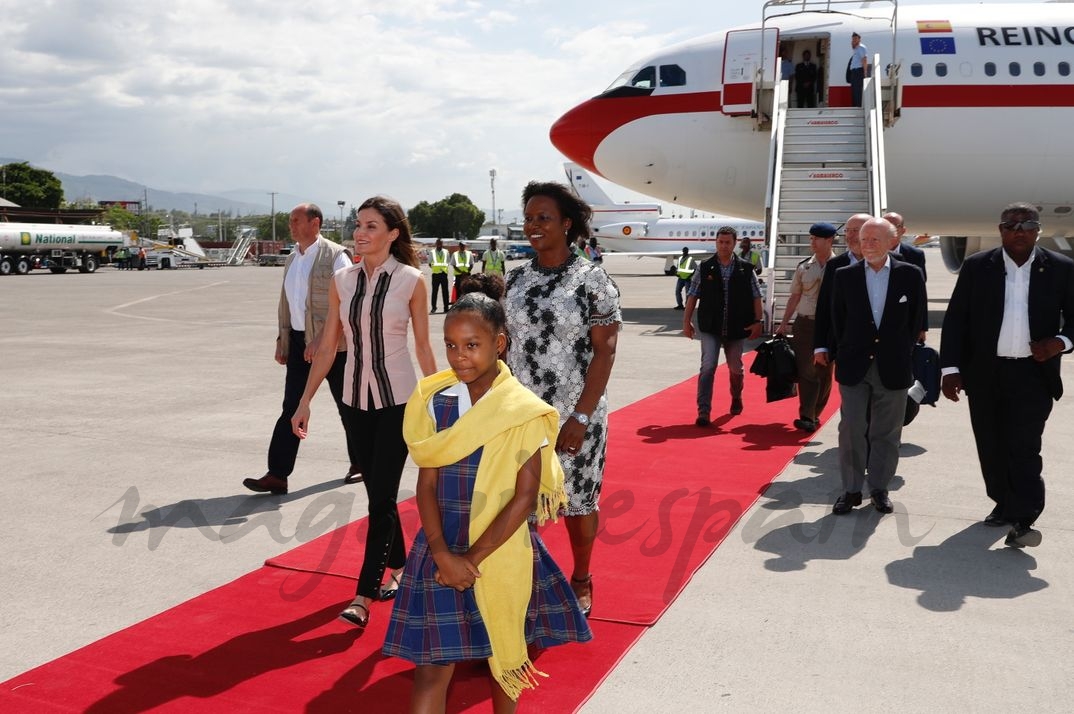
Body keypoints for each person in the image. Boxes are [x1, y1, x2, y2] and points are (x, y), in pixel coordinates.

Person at [385, 290, 592, 711]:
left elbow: (525, 497)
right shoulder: (436, 403)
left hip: (501, 546)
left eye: (472, 345)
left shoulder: (522, 410)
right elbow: (426, 485)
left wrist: (472, 559)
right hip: (440, 545)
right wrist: (443, 554)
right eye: (451, 345)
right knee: (431, 667)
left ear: (499, 343)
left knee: (505, 656)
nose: (459, 356)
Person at [291, 196, 437, 627]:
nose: (360, 233)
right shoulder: (344, 281)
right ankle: (400, 565)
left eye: (371, 226)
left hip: (398, 402)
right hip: (354, 401)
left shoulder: (413, 280)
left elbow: (424, 347)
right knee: (378, 493)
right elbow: (327, 346)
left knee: (382, 500)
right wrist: (305, 401)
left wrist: (440, 399)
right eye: (358, 224)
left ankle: (364, 596)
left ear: (393, 234)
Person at [504, 180, 621, 619]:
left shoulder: (592, 281)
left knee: (577, 503)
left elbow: (605, 351)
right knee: (518, 505)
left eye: (543, 218)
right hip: (519, 417)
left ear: (567, 224)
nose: (533, 226)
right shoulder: (514, 279)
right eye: (529, 218)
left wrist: (582, 415)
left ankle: (582, 577)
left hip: (575, 415)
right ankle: (525, 585)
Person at [940, 202, 1074, 548]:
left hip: (1034, 375)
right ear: (1000, 230)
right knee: (991, 445)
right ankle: (1004, 503)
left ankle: (1024, 518)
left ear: (1037, 230)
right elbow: (957, 320)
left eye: (1027, 224)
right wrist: (951, 369)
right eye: (1011, 225)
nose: (1018, 230)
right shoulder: (976, 267)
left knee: (1024, 448)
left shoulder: (1060, 268)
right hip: (984, 374)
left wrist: (1059, 343)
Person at [242, 203, 362, 496]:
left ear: (315, 223)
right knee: (292, 406)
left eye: (296, 220)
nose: (291, 225)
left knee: (347, 406)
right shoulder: (292, 259)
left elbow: (348, 301)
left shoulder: (336, 256)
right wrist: (282, 341)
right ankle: (278, 474)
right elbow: (288, 305)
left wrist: (322, 339)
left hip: (335, 345)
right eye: (290, 220)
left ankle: (360, 463)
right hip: (297, 343)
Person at [827, 218, 926, 515]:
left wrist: (900, 349)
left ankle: (880, 489)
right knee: (852, 428)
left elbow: (916, 320)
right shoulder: (845, 276)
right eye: (863, 239)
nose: (867, 244)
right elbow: (837, 320)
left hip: (893, 365)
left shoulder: (910, 274)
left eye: (874, 239)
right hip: (855, 365)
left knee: (887, 431)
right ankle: (852, 490)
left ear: (891, 242)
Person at [683, 226, 764, 424]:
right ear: (716, 242)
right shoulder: (704, 267)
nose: (724, 246)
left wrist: (758, 322)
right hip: (711, 326)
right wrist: (686, 321)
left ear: (734, 243)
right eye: (720, 242)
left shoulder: (745, 269)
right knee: (708, 366)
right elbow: (692, 296)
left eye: (728, 242)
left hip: (737, 327)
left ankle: (736, 395)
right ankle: (703, 411)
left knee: (735, 368)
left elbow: (756, 296)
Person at [776, 222, 836, 432]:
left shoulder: (841, 266)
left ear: (829, 240)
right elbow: (795, 296)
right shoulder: (804, 266)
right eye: (810, 238)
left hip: (829, 327)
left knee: (825, 372)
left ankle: (815, 413)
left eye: (816, 238)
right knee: (806, 371)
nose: (812, 242)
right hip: (805, 323)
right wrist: (784, 322)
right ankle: (806, 415)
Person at [813, 212, 870, 364]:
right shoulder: (835, 265)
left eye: (855, 231)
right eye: (847, 231)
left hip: (884, 349)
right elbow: (824, 305)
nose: (849, 236)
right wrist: (820, 346)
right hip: (846, 346)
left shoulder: (895, 263)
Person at [882, 211, 927, 282]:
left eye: (895, 226)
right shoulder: (869, 252)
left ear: (903, 230)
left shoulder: (915, 255)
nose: (890, 229)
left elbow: (920, 283)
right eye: (886, 225)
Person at [428, 238, 451, 313]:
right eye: (438, 243)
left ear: (442, 244)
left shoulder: (446, 251)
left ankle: (446, 307)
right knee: (435, 291)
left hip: (444, 274)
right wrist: (436, 268)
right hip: (436, 274)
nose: (439, 245)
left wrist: (443, 269)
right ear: (436, 244)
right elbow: (429, 263)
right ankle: (434, 307)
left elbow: (447, 261)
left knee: (445, 292)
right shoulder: (432, 252)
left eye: (440, 243)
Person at [848, 32, 869, 107]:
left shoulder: (861, 47)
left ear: (859, 39)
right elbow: (853, 46)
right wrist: (853, 43)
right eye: (853, 39)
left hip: (858, 71)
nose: (854, 40)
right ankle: (855, 106)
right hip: (854, 72)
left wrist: (865, 72)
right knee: (854, 90)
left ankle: (858, 106)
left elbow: (864, 60)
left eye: (855, 38)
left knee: (857, 91)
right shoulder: (856, 48)